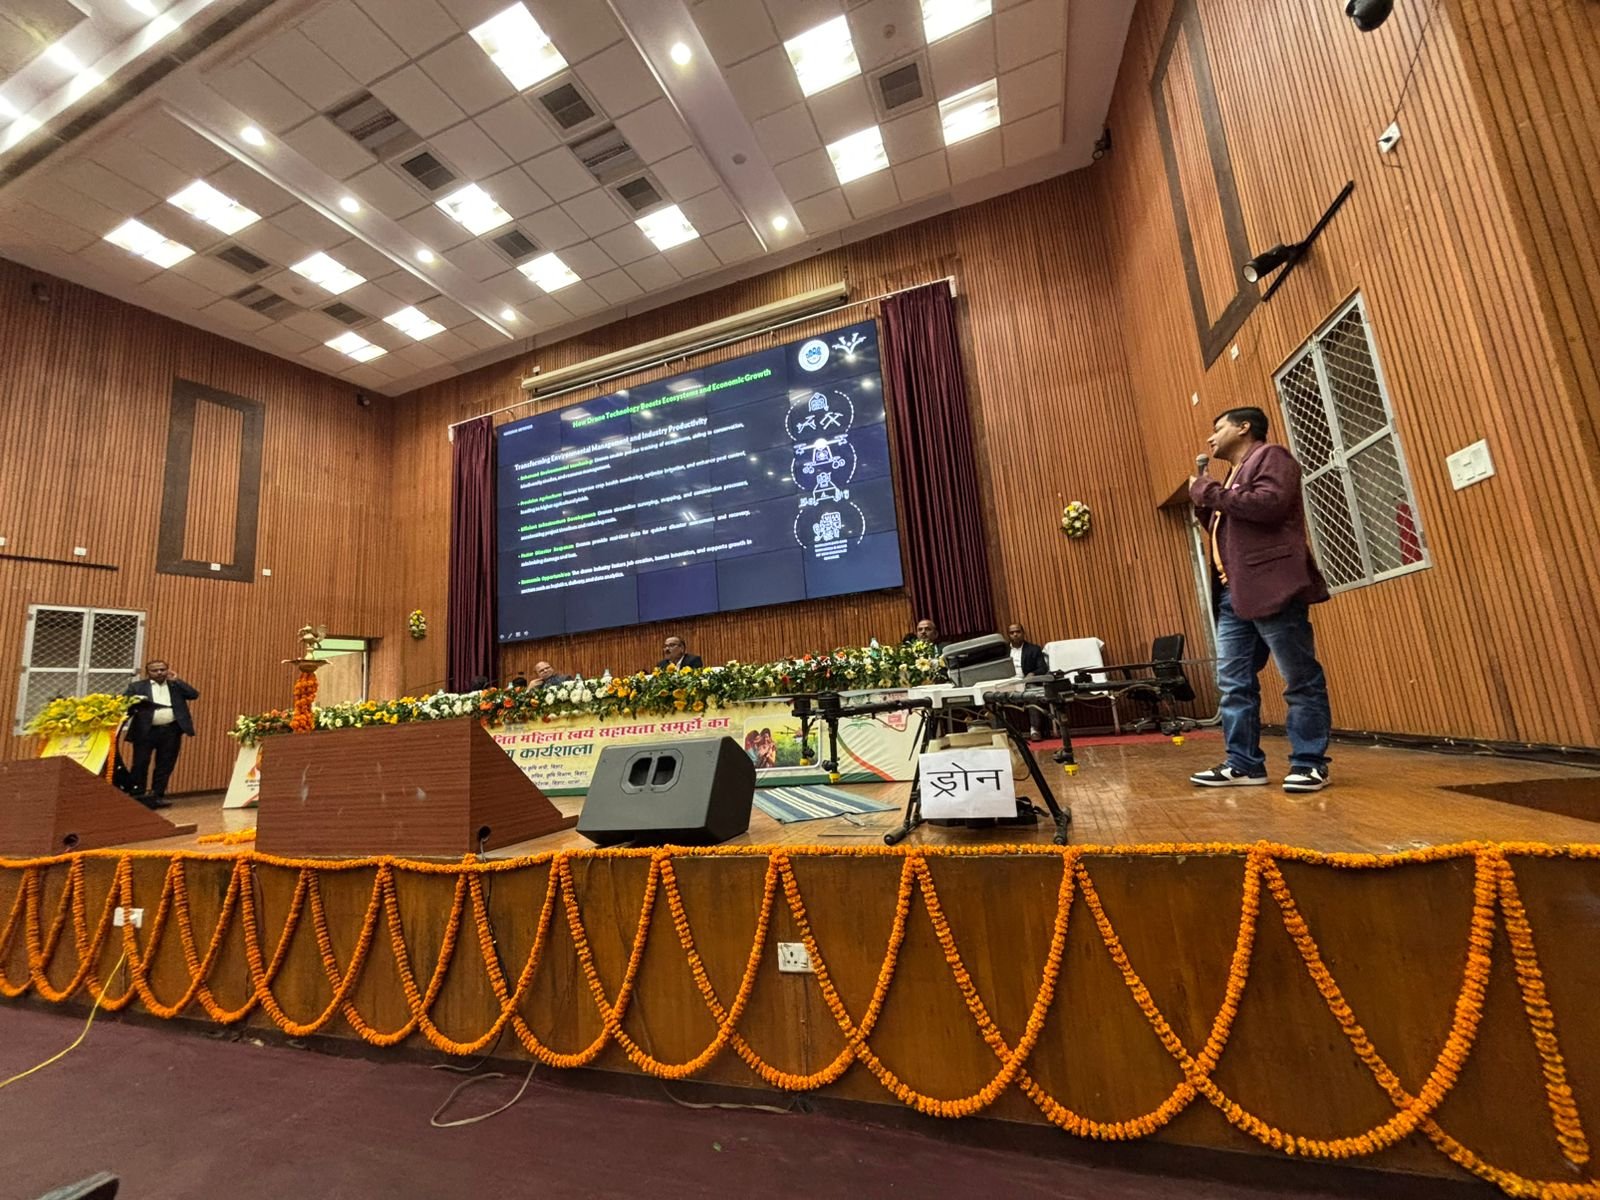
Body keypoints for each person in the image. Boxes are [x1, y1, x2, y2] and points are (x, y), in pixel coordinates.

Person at [1188, 407, 1332, 794]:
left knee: (1299, 678)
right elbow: (1233, 525)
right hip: (1233, 594)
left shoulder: (1271, 456)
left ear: (1244, 427)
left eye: (1218, 428)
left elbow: (1269, 505)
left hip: (1271, 587)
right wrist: (1207, 505)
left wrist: (1210, 492)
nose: (1211, 438)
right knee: (1233, 684)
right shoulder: (1234, 474)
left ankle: (1309, 763)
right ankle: (1244, 764)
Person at [122, 660, 199, 810]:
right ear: (148, 673)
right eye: (155, 670)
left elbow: (193, 695)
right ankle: (137, 795)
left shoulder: (175, 685)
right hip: (145, 731)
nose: (159, 673)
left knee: (165, 764)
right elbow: (125, 703)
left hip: (171, 731)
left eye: (162, 669)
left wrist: (177, 680)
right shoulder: (137, 687)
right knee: (140, 763)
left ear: (167, 670)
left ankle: (157, 795)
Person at [1005, 623, 1051, 741]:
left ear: (1023, 633)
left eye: (1018, 631)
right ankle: (1003, 731)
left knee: (1032, 694)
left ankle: (1035, 730)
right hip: (1007, 683)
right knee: (991, 695)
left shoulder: (1034, 649)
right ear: (1008, 635)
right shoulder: (1003, 651)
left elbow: (1043, 668)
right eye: (1012, 633)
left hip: (1027, 682)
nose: (1015, 634)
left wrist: (1033, 674)